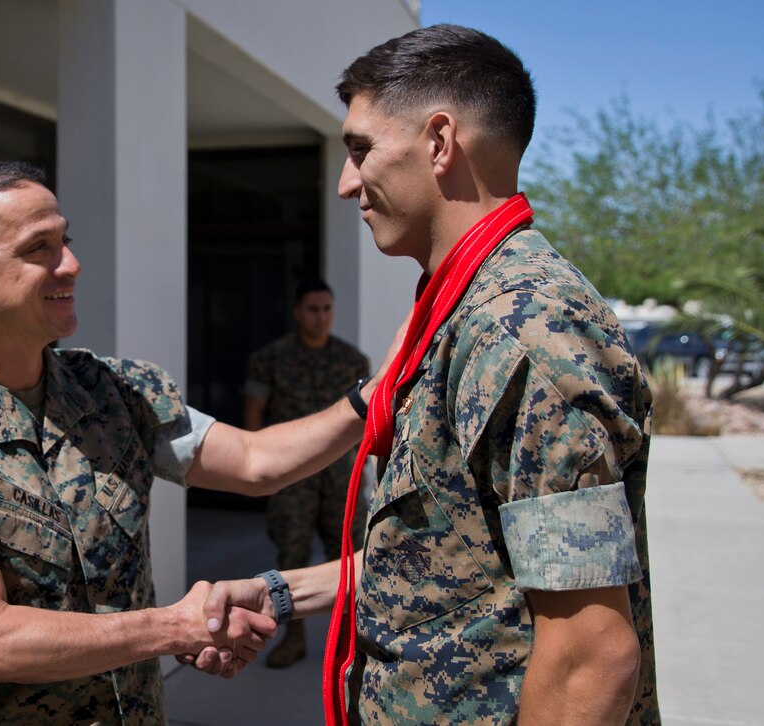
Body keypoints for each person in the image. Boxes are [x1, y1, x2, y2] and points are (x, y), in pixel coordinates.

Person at [204, 24, 660, 725]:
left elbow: (590, 656)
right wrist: (284, 592)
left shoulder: (523, 327)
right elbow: (450, 559)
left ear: (440, 143)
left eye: (360, 150)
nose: (345, 182)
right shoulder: (459, 311)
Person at [0, 161, 389, 725]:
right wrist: (173, 627)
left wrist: (369, 400)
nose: (73, 264)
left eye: (66, 240)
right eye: (40, 248)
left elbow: (256, 462)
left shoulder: (113, 392)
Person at [243, 278, 370, 668]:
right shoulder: (270, 357)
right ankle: (293, 639)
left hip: (340, 478)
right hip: (292, 478)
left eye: (327, 309)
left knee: (348, 558)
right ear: (299, 312)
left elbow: (366, 419)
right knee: (292, 557)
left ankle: (351, 642)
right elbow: (254, 416)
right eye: (313, 309)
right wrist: (255, 473)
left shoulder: (353, 360)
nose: (321, 317)